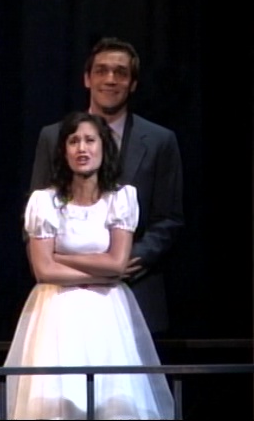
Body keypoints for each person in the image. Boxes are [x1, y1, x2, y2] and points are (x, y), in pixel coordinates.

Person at [0, 111, 174, 420]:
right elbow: (44, 271)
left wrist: (60, 257)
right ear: (64, 151)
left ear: (103, 147)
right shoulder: (45, 202)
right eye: (73, 141)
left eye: (89, 140)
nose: (82, 148)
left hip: (107, 312)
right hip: (57, 312)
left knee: (114, 401)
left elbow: (117, 263)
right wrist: (101, 271)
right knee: (56, 401)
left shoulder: (120, 199)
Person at [29, 37, 184, 335]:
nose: (110, 79)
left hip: (136, 288)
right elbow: (37, 216)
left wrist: (125, 259)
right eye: (101, 71)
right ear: (87, 79)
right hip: (62, 297)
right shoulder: (53, 137)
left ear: (133, 83)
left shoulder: (160, 141)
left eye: (120, 73)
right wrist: (66, 264)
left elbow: (169, 218)